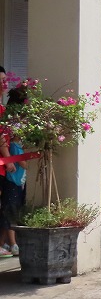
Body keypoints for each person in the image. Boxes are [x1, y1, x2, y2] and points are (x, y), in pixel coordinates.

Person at [0, 87, 26, 256]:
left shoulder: (6, 114)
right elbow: (3, 138)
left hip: (11, 170)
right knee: (10, 206)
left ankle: (5, 243)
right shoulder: (12, 122)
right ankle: (12, 243)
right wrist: (9, 159)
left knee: (11, 205)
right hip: (10, 170)